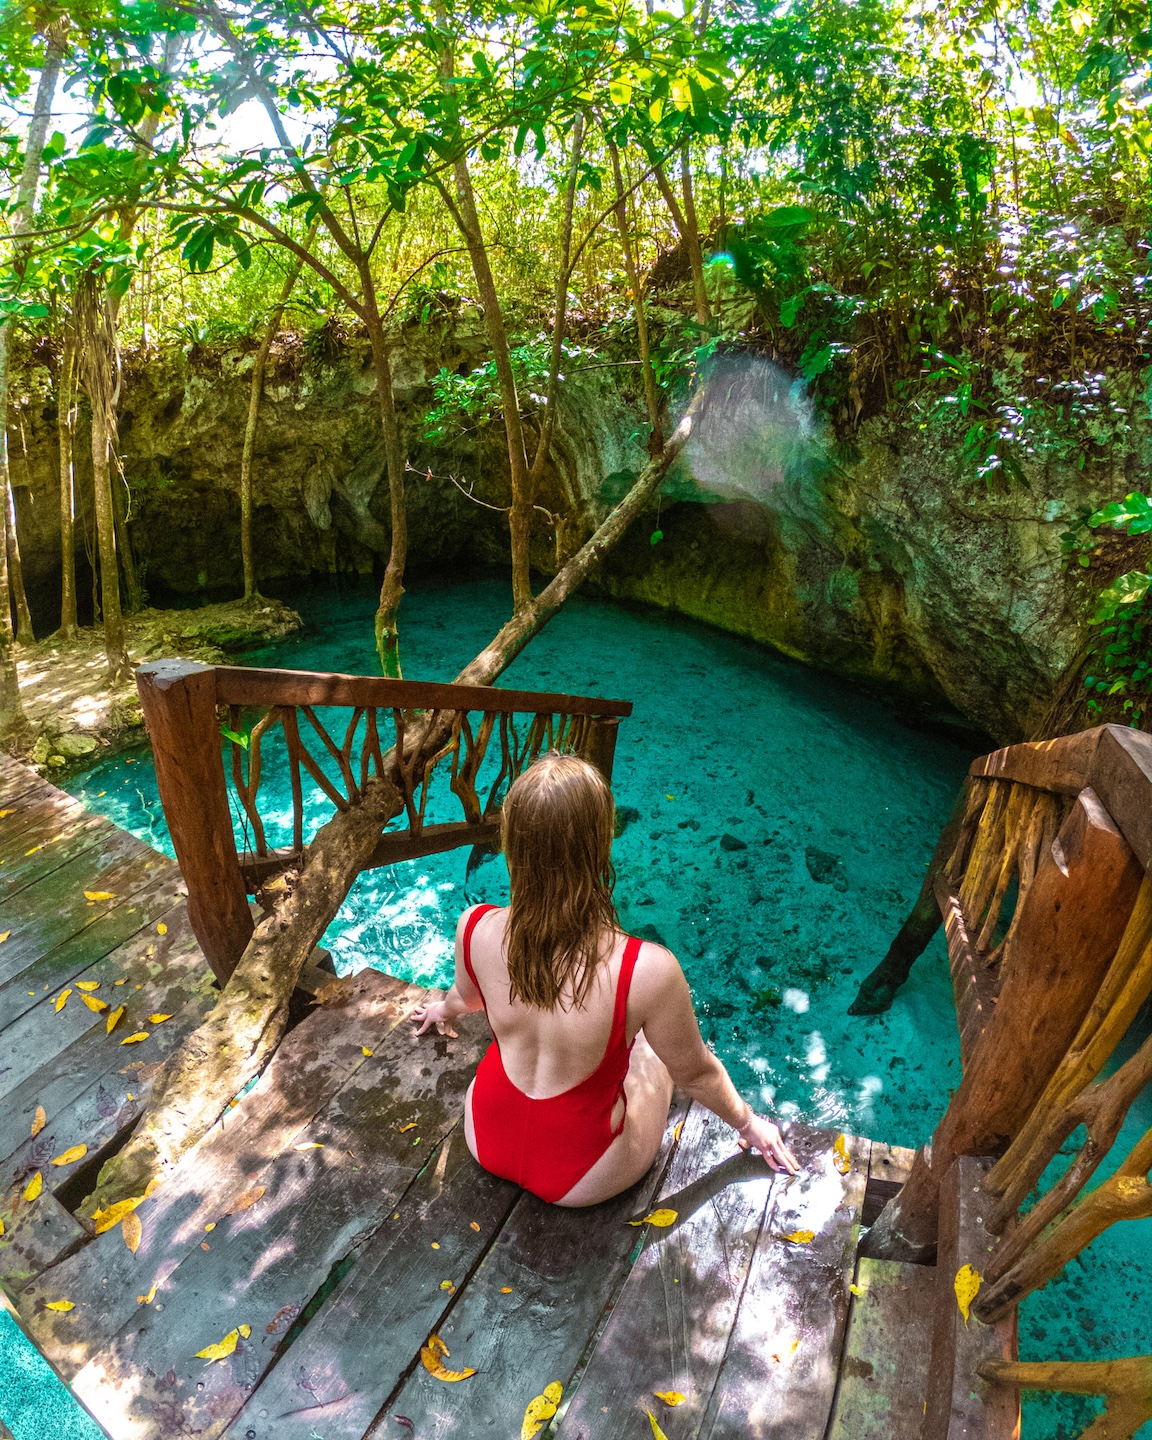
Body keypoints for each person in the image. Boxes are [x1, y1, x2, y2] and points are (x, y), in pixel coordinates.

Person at [412, 753, 800, 1206]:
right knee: (651, 1051)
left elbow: (467, 996)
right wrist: (750, 1123)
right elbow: (693, 1072)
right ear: (600, 845)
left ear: (511, 844)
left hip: (487, 1134)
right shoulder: (647, 968)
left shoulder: (474, 926)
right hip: (582, 1173)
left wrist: (441, 1008)